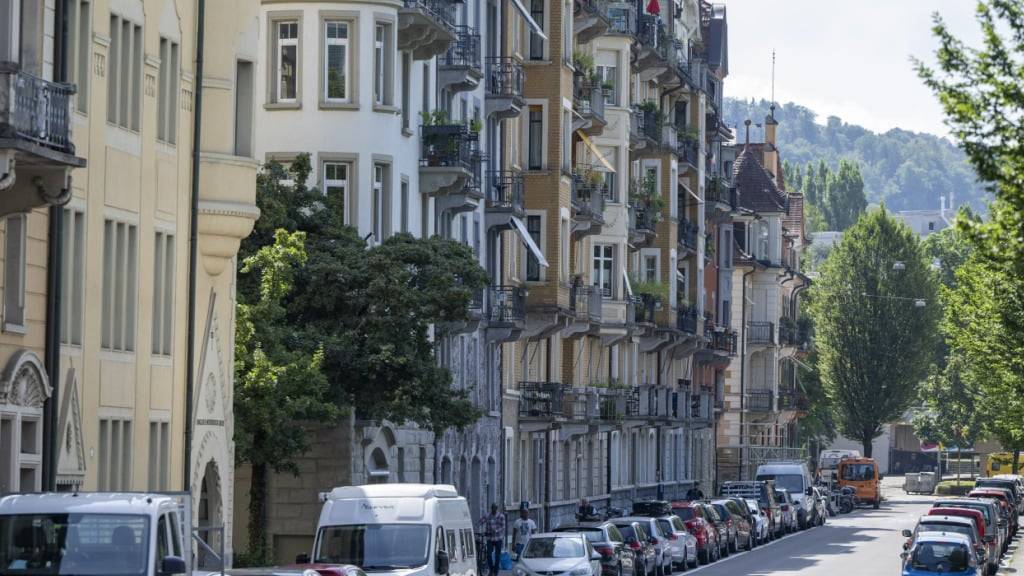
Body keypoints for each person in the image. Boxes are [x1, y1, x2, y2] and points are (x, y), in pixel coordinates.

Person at [477, 504, 506, 576]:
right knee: (488, 554)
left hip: (498, 538)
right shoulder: (487, 516)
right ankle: (491, 568)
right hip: (490, 538)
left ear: (497, 508)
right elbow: (480, 522)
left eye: (495, 508)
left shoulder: (501, 516)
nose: (494, 510)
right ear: (491, 508)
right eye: (493, 508)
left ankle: (495, 572)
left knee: (497, 555)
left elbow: (503, 527)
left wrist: (496, 530)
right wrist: (475, 527)